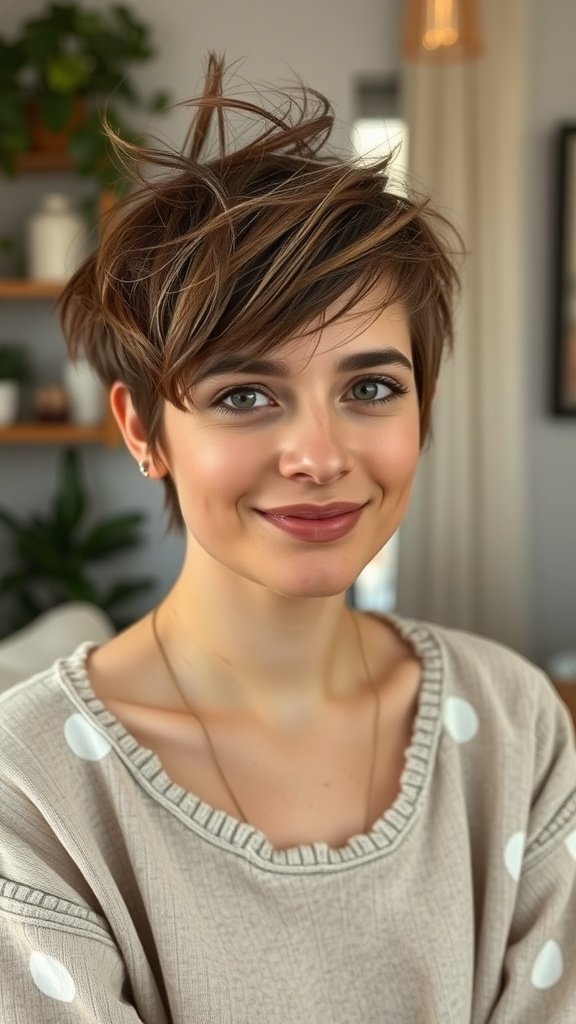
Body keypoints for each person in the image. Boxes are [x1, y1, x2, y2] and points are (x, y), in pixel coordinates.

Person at [0, 53, 575, 1024]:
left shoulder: (514, 727)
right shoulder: (32, 786)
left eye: (371, 387)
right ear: (144, 430)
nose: (319, 453)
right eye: (245, 395)